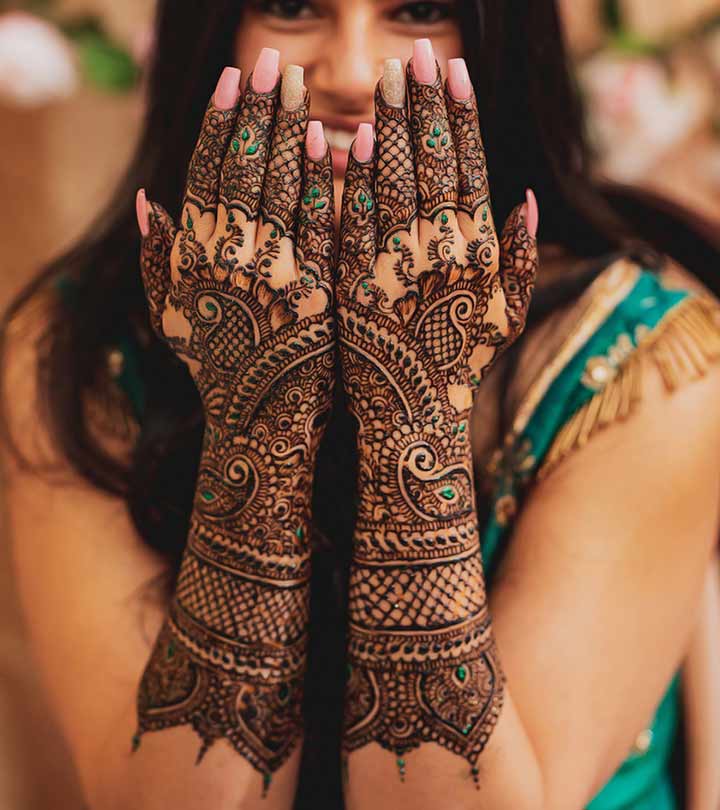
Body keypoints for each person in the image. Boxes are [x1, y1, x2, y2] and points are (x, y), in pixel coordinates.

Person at [2, 2, 720, 809]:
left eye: (419, 11)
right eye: (291, 7)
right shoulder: (81, 353)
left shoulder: (640, 361)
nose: (348, 74)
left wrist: (411, 408)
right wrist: (260, 410)